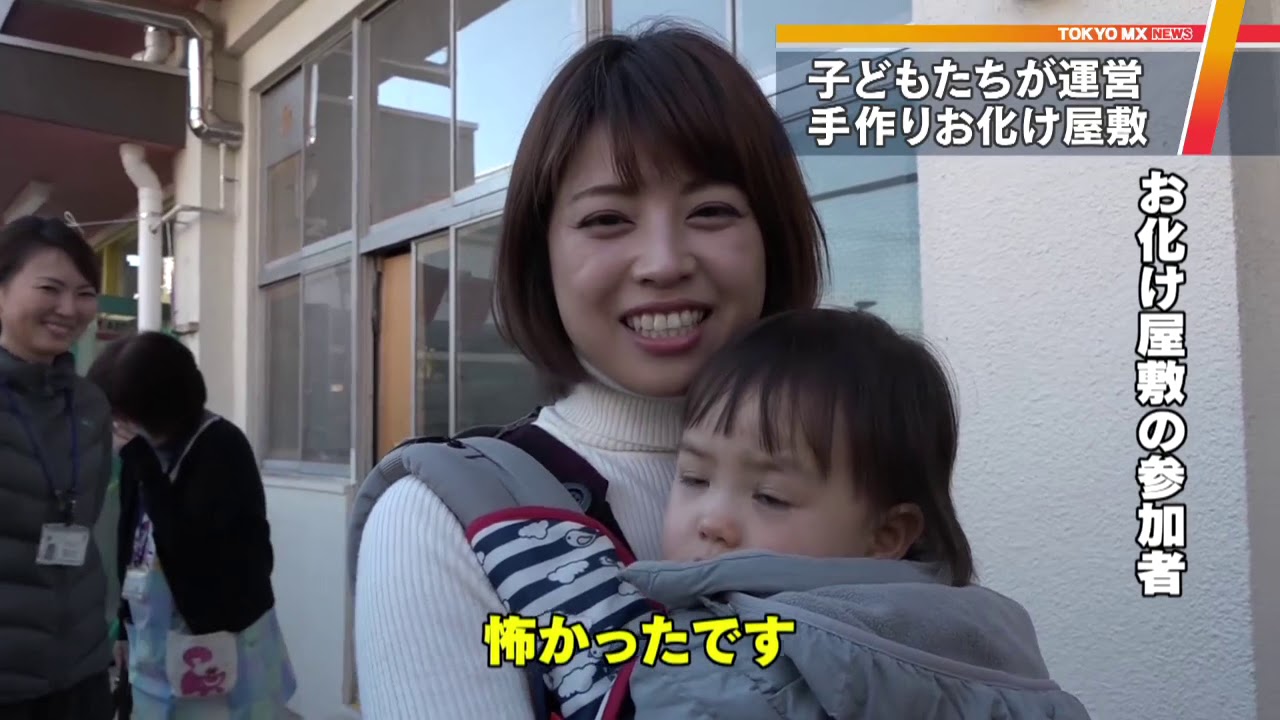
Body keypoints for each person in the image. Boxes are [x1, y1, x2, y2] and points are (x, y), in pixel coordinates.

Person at [351, 24, 828, 719]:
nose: (663, 262)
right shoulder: (443, 525)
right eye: (607, 219)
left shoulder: (852, 473)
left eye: (711, 211)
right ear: (540, 255)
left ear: (772, 238)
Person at [490, 308, 1093, 718]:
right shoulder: (988, 641)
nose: (712, 520)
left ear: (887, 533)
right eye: (694, 477)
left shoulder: (744, 667)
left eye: (770, 497)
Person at [86, 331, 296, 718]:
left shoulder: (220, 446)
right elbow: (129, 537)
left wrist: (145, 466)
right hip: (153, 635)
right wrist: (124, 620)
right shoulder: (140, 452)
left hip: (222, 640)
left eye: (122, 415)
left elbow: (190, 549)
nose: (117, 425)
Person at [0, 216, 115, 719]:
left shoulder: (90, 404)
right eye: (50, 289)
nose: (69, 309)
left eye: (84, 293)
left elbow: (89, 521)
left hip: (79, 672)